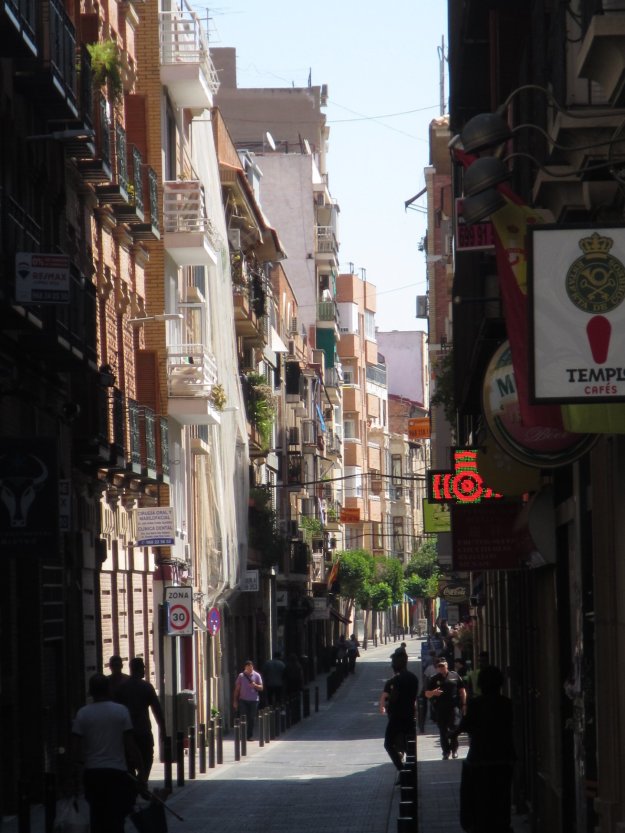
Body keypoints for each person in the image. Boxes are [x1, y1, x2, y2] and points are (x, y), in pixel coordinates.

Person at [71, 673, 146, 833]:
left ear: (91, 691)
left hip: (93, 773)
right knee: (116, 817)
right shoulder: (121, 711)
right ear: (108, 690)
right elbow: (130, 745)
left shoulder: (83, 713)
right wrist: (141, 770)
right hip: (116, 773)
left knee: (96, 815)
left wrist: (76, 770)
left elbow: (75, 747)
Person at [453, 665, 516, 833]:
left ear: (481, 684)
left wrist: (454, 735)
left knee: (479, 799)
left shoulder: (476, 703)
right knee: (501, 798)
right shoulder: (507, 704)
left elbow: (465, 725)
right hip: (503, 759)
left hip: (479, 760)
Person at [115, 656, 166, 779]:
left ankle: (133, 782)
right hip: (143, 730)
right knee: (147, 758)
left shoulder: (122, 688)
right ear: (138, 669)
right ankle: (142, 781)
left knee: (129, 762)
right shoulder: (147, 687)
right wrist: (163, 730)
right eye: (143, 667)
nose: (144, 670)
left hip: (127, 732)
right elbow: (157, 711)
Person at [379, 651, 419, 782]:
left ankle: (402, 770)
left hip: (397, 717)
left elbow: (394, 698)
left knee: (388, 744)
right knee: (409, 747)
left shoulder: (396, 680)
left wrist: (389, 702)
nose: (392, 665)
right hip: (409, 715)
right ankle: (410, 772)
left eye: (393, 662)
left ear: (398, 663)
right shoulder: (413, 678)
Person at [425, 658, 466, 759]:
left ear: (446, 665)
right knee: (442, 731)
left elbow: (462, 690)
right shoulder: (434, 678)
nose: (441, 668)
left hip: (453, 708)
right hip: (440, 709)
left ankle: (454, 750)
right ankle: (445, 752)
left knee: (454, 730)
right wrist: (433, 692)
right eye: (439, 666)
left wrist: (464, 704)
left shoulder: (455, 676)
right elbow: (427, 694)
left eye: (442, 666)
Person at [233, 660, 263, 741]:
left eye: (251, 668)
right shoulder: (241, 676)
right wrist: (235, 701)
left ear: (252, 667)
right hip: (243, 700)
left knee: (251, 718)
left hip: (254, 700)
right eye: (248, 668)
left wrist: (255, 685)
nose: (250, 670)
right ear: (245, 668)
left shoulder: (257, 675)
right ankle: (243, 735)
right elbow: (237, 689)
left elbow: (261, 688)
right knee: (243, 717)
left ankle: (249, 736)